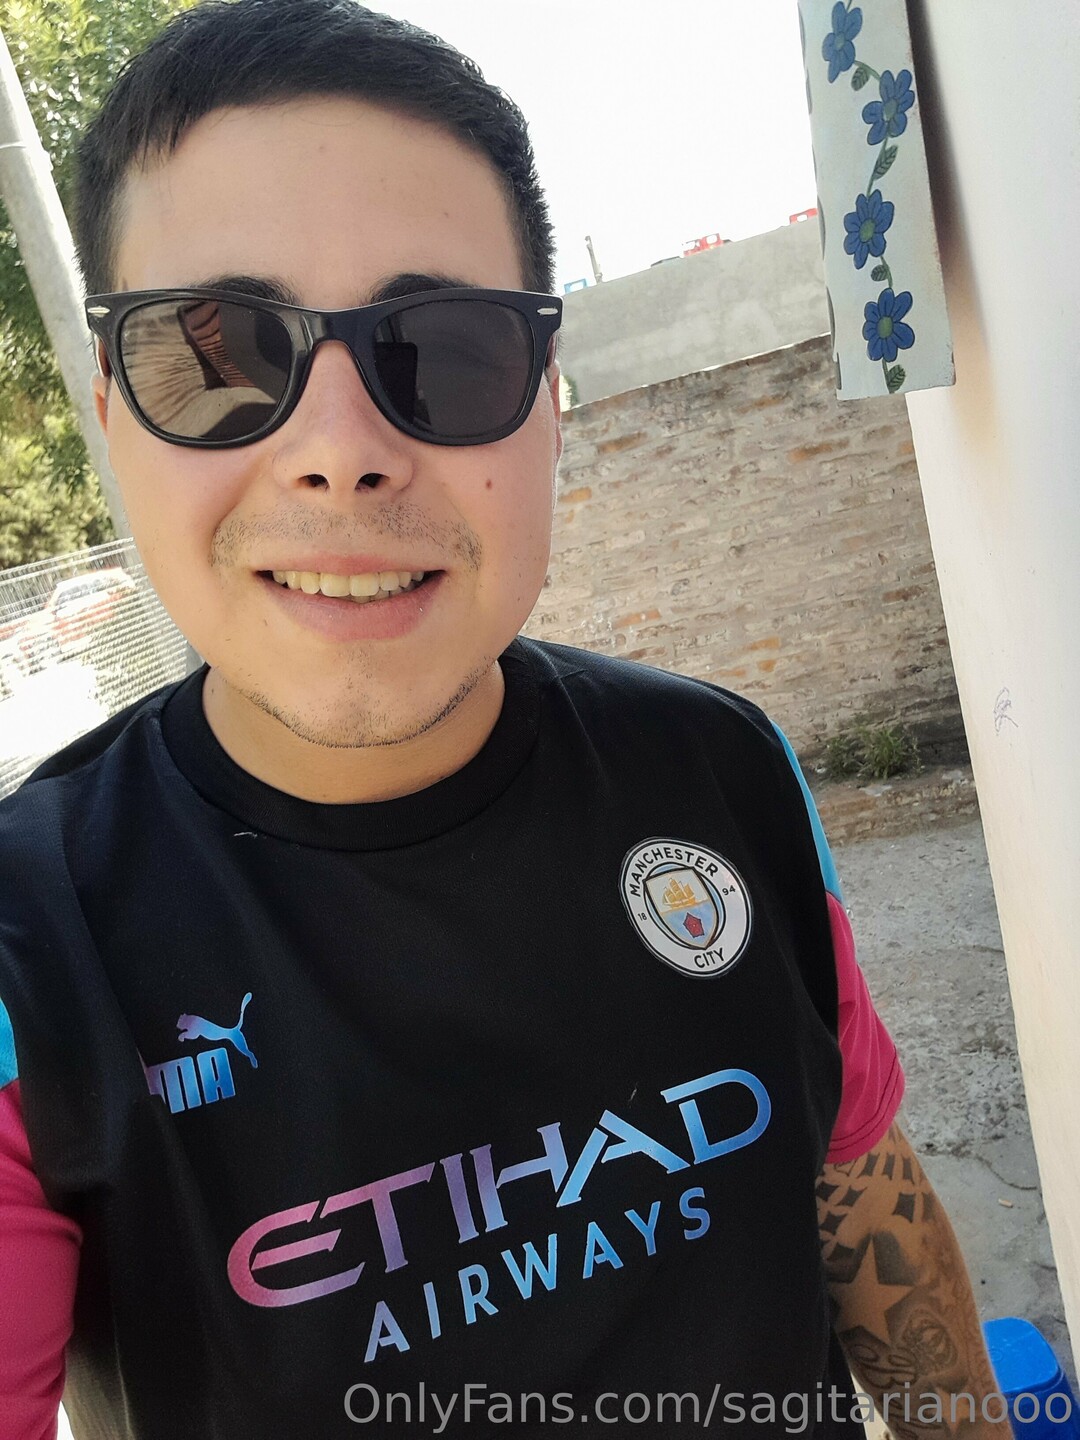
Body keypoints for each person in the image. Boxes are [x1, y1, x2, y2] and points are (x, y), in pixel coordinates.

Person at [0, 2, 1012, 1437]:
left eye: (445, 348)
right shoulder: (30, 946)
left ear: (549, 404)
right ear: (112, 409)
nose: (340, 452)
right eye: (215, 357)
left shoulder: (720, 768)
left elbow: (854, 1183)